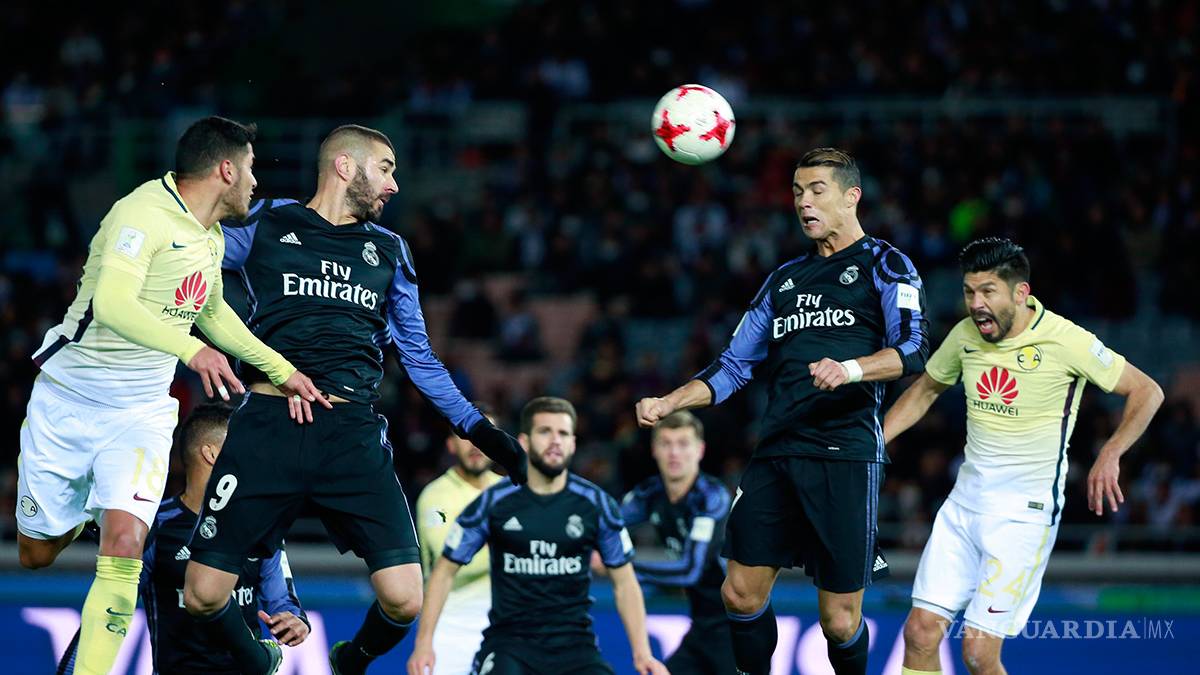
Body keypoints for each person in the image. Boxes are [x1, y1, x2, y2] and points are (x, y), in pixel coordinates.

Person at [180, 124, 528, 675]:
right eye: (386, 169)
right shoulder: (265, 222)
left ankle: (350, 661)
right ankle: (261, 661)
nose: (394, 185)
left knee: (405, 598)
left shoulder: (389, 250)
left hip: (349, 432)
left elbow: (419, 358)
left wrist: (484, 434)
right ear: (345, 166)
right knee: (201, 594)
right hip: (268, 424)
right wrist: (186, 340)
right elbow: (187, 265)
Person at [18, 116, 325, 675]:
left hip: (141, 411)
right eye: (251, 168)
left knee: (126, 546)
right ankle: (82, 510)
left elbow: (211, 311)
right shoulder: (141, 214)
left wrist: (280, 369)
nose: (256, 181)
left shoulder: (209, 237)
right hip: (70, 399)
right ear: (226, 169)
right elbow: (112, 303)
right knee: (35, 554)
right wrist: (191, 350)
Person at [636, 147, 930, 675]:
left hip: (844, 452)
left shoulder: (885, 264)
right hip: (776, 450)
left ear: (851, 197)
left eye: (817, 190)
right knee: (739, 593)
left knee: (839, 620)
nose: (803, 202)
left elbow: (912, 349)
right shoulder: (783, 280)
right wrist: (670, 401)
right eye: (797, 192)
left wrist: (851, 369)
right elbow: (733, 366)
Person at [884, 238, 1163, 675]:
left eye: (987, 291)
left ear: (1020, 293)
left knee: (978, 655)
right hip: (963, 507)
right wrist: (875, 441)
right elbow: (925, 390)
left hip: (1022, 517)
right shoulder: (964, 336)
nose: (976, 304)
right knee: (919, 633)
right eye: (969, 292)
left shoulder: (1067, 340)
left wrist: (1111, 452)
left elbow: (1147, 391)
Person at [408, 397, 668, 675]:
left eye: (563, 433)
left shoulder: (596, 504)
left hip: (575, 648)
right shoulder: (493, 503)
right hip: (509, 646)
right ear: (525, 442)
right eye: (545, 431)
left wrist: (643, 653)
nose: (555, 441)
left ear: (573, 444)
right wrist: (423, 643)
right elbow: (443, 571)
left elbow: (625, 582)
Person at [56, 403, 310, 674]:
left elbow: (283, 602)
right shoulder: (154, 528)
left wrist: (295, 621)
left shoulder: (261, 524)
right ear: (211, 454)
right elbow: (112, 606)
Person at [620, 411, 734, 674]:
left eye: (683, 444)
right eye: (666, 444)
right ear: (654, 450)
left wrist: (623, 569)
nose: (674, 453)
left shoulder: (712, 498)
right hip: (702, 627)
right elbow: (607, 523)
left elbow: (689, 570)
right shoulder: (650, 494)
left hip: (737, 630)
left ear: (700, 450)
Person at [414, 404, 504, 675]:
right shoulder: (435, 497)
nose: (475, 444)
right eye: (466, 435)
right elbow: (452, 561)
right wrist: (510, 545)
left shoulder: (511, 491)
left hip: (506, 628)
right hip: (449, 628)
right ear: (451, 445)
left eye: (484, 435)